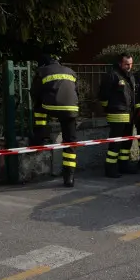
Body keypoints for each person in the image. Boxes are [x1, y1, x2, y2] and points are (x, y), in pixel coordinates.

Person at [31, 54, 80, 187]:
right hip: (71, 108)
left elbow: (34, 93)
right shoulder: (71, 71)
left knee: (38, 108)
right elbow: (77, 91)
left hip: (51, 106)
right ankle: (69, 178)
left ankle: (39, 137)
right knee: (70, 142)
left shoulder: (41, 71)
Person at [99, 53, 137, 178]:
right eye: (126, 64)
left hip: (129, 114)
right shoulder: (112, 75)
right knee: (115, 144)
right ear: (120, 63)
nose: (129, 66)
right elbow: (103, 95)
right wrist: (107, 108)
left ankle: (123, 165)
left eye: (131, 64)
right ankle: (110, 169)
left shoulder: (129, 76)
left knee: (126, 144)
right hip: (117, 114)